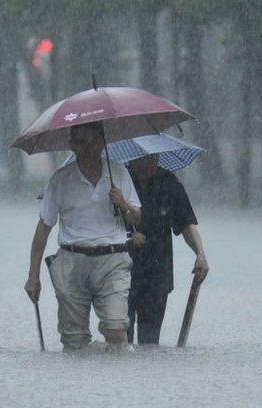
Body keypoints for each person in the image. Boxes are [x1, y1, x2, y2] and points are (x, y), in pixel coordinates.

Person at [24, 122, 142, 354]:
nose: (88, 148)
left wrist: (123, 203)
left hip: (113, 260)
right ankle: (79, 386)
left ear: (102, 143)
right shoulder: (60, 179)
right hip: (71, 261)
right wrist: (33, 276)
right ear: (72, 146)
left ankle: (116, 384)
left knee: (117, 329)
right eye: (81, 143)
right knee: (74, 339)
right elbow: (43, 230)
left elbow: (136, 218)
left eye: (93, 142)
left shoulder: (118, 172)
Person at [126, 154, 208, 345]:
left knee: (150, 343)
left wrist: (200, 254)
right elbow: (101, 228)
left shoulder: (168, 182)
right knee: (120, 340)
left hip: (157, 272)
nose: (147, 163)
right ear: (131, 159)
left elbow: (187, 223)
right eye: (141, 158)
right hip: (121, 271)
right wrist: (128, 237)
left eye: (152, 158)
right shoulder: (119, 180)